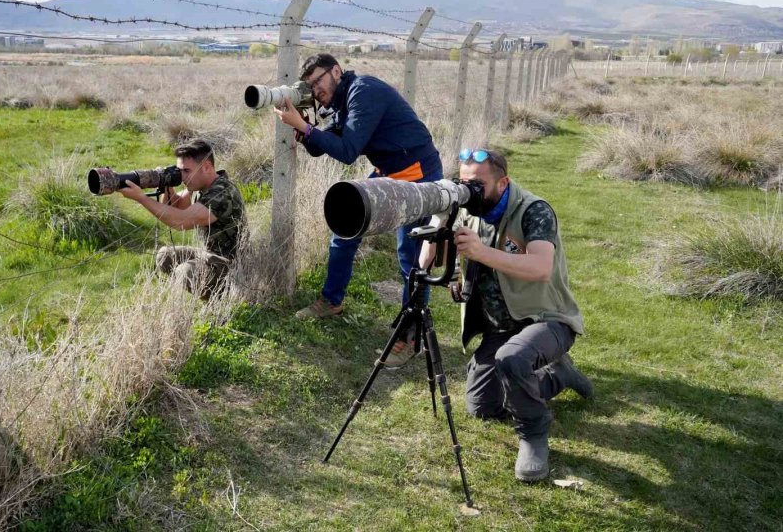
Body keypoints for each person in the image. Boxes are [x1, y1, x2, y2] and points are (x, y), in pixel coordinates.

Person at [420, 148, 593, 482]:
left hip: (546, 319)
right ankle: (558, 376)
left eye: (477, 185)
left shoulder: (534, 210)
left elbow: (541, 267)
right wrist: (439, 218)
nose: (469, 191)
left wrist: (482, 252)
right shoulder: (467, 211)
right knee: (482, 407)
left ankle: (533, 435)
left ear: (503, 182)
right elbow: (425, 263)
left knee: (512, 359)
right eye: (463, 183)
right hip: (500, 327)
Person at [274, 53, 443, 359]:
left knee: (411, 257)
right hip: (388, 172)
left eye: (318, 81)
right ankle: (332, 300)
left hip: (418, 173)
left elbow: (348, 151)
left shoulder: (364, 92)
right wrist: (305, 129)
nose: (315, 90)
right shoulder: (342, 101)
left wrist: (307, 129)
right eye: (310, 86)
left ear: (336, 71)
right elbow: (323, 145)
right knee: (345, 229)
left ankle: (411, 336)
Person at [118, 139, 246, 300]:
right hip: (209, 255)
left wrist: (141, 198)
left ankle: (224, 300)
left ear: (206, 167)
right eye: (179, 171)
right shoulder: (201, 186)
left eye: (186, 171)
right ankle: (212, 292)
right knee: (165, 256)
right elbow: (177, 206)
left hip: (233, 264)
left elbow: (180, 221)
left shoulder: (222, 193)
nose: (182, 176)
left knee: (185, 272)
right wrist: (166, 184)